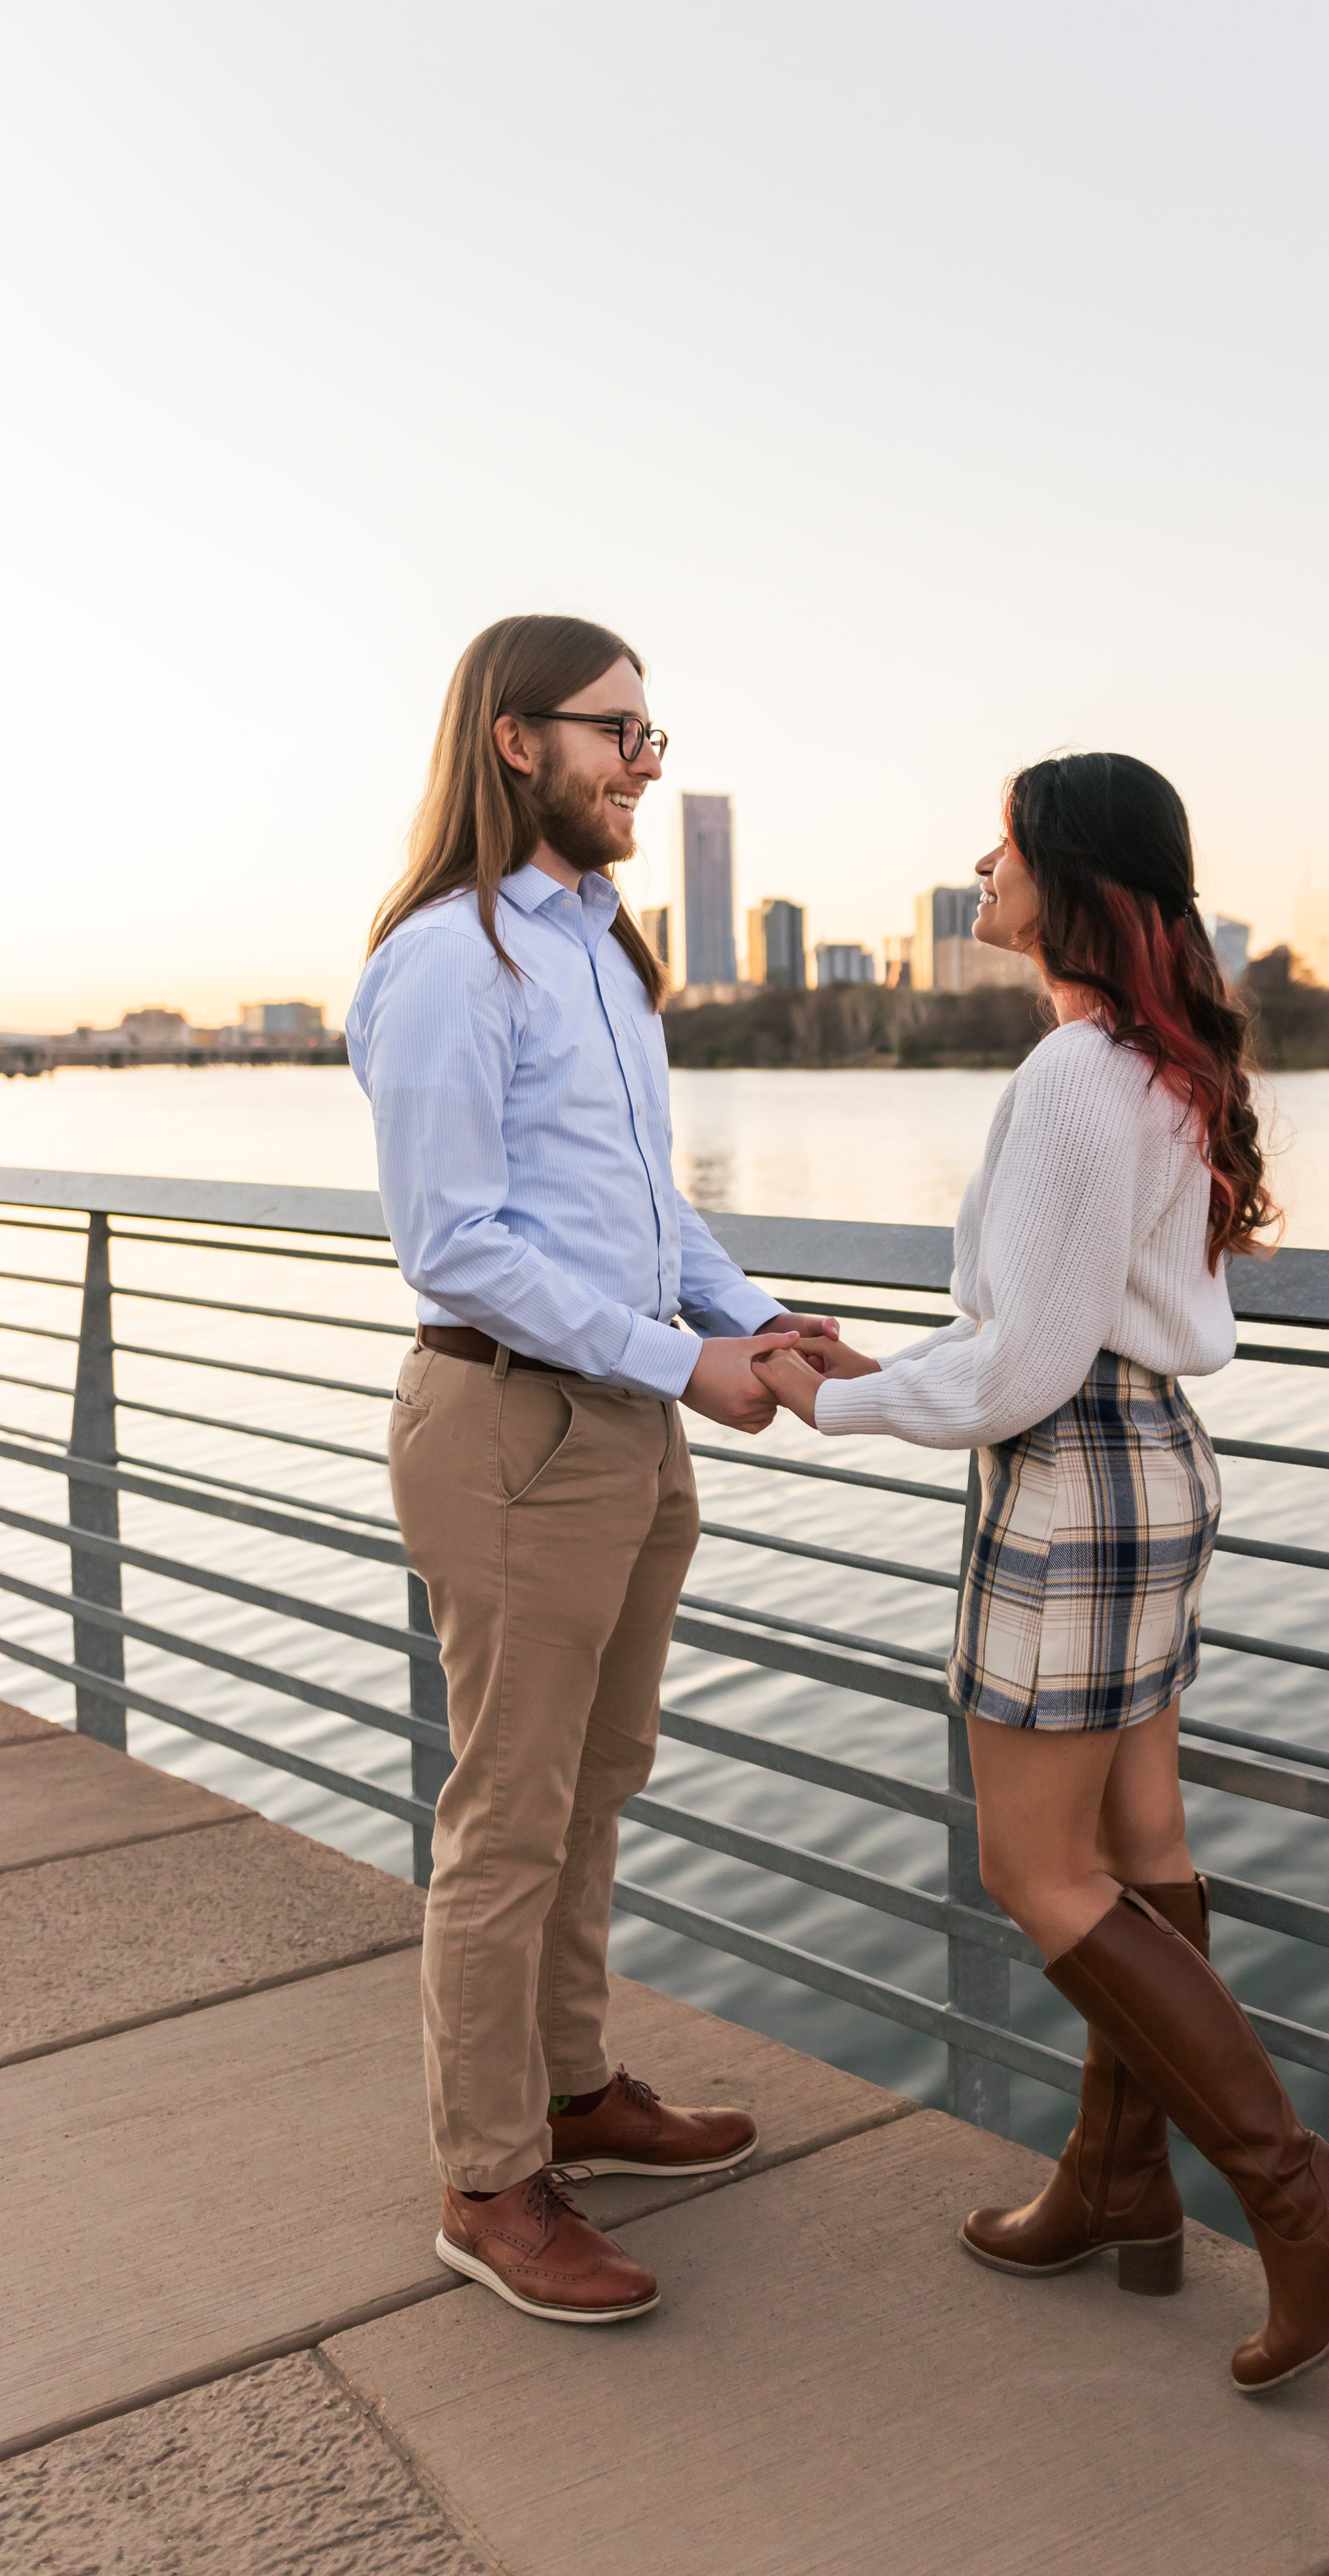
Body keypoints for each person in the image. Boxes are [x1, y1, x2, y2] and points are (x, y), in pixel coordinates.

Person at [755, 751, 1329, 2392]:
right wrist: (888, 1359)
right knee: (1137, 1846)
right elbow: (1049, 1329)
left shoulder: (1073, 1072)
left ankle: (1297, 2190)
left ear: (1065, 874)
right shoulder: (1160, 1062)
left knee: (1034, 1872)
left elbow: (1025, 1369)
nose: (976, 865)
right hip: (1148, 1471)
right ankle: (1118, 2182)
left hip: (1065, 1483)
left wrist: (835, 1397)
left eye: (1001, 843)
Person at [348, 613, 841, 2325]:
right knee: (506, 1812)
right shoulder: (448, 958)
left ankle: (574, 2093)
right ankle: (489, 2183)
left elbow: (648, 1207)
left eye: (652, 729)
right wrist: (683, 1362)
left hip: (622, 1421)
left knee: (596, 1777)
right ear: (514, 742)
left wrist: (754, 1314)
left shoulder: (599, 950)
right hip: (515, 1426)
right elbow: (461, 1244)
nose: (648, 758)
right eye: (618, 730)